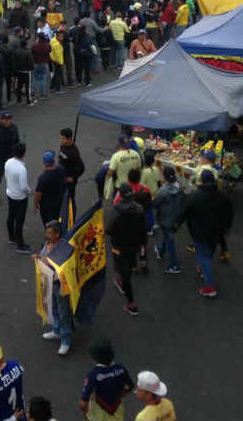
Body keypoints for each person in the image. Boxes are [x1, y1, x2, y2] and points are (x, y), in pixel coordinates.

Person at [177, 169, 233, 298]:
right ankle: (203, 268)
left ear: (201, 181)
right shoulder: (222, 196)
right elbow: (229, 212)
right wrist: (227, 227)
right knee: (209, 252)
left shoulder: (194, 196)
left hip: (199, 232)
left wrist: (177, 224)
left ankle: (210, 287)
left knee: (204, 257)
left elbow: (184, 212)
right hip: (217, 232)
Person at [106, 184, 146, 316]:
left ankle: (131, 304)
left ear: (120, 196)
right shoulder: (139, 209)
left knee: (124, 271)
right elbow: (143, 230)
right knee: (129, 260)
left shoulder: (116, 211)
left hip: (119, 246)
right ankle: (129, 270)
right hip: (134, 244)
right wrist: (142, 247)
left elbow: (109, 230)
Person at [34, 221, 73, 355]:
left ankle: (66, 340)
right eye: (47, 232)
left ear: (57, 234)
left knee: (64, 313)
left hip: (60, 285)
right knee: (54, 308)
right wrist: (38, 257)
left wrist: (45, 261)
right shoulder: (47, 244)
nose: (47, 235)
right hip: (49, 282)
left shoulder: (64, 248)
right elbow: (44, 258)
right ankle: (57, 331)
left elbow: (61, 267)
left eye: (50, 233)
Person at [79, 336, 133, 420]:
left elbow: (83, 404)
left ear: (95, 358)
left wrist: (85, 416)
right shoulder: (121, 369)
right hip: (116, 408)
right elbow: (130, 386)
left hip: (98, 412)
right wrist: (119, 396)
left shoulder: (93, 375)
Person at [151, 167, 182, 275]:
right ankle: (160, 250)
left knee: (170, 241)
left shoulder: (163, 190)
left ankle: (174, 265)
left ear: (164, 177)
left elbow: (155, 203)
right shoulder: (178, 186)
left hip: (165, 218)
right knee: (168, 235)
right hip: (175, 217)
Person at [4, 142, 33, 254]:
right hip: (20, 198)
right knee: (20, 221)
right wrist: (30, 191)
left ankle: (11, 237)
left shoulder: (8, 162)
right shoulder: (22, 169)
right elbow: (24, 187)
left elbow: (6, 176)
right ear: (23, 153)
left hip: (10, 194)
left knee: (11, 216)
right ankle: (20, 245)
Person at [0, 111, 20, 206]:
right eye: (5, 120)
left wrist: (18, 156)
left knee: (13, 178)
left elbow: (17, 142)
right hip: (0, 159)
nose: (7, 122)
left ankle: (14, 195)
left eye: (9, 119)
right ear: (1, 120)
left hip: (12, 158)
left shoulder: (14, 128)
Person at [34, 152, 67, 228]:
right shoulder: (61, 169)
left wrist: (35, 204)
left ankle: (51, 237)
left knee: (48, 224)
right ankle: (59, 232)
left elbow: (38, 194)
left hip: (47, 207)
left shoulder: (43, 178)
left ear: (44, 163)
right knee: (58, 219)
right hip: (60, 202)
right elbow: (65, 180)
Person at [58, 128, 85, 219]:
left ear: (69, 139)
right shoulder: (63, 146)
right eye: (61, 138)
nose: (61, 140)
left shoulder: (74, 152)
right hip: (62, 178)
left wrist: (72, 178)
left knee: (70, 199)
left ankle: (72, 219)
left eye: (63, 138)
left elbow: (81, 168)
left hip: (69, 181)